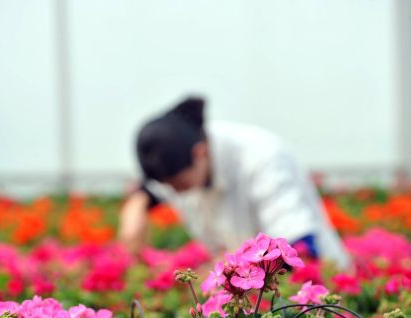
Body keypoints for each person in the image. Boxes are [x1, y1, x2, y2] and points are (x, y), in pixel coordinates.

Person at [118, 96, 350, 269]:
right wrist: (136, 206)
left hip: (316, 289)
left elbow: (300, 247)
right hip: (252, 296)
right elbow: (152, 190)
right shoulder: (184, 157)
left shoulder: (263, 157)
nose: (174, 192)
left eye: (178, 184)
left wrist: (223, 273)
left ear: (199, 153)